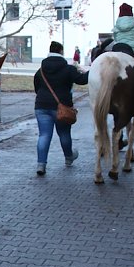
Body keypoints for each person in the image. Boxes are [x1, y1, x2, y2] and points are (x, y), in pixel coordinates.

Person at [33, 41, 88, 176]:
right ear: (61, 52)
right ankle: (69, 157)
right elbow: (81, 80)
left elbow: (37, 87)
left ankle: (41, 164)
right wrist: (92, 71)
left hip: (41, 106)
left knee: (44, 135)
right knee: (64, 134)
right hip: (62, 107)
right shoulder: (68, 69)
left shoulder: (41, 70)